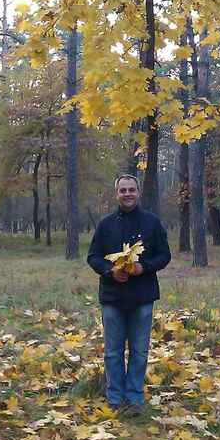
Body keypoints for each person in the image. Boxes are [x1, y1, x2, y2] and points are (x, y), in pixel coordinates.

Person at [87, 174, 171, 410]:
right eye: (122, 190)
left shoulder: (152, 223)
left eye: (131, 190)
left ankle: (134, 398)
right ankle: (114, 397)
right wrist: (109, 270)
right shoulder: (105, 225)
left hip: (142, 297)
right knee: (113, 353)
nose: (127, 194)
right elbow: (92, 257)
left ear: (138, 192)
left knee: (139, 351)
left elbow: (164, 255)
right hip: (112, 297)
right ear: (117, 194)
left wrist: (144, 267)